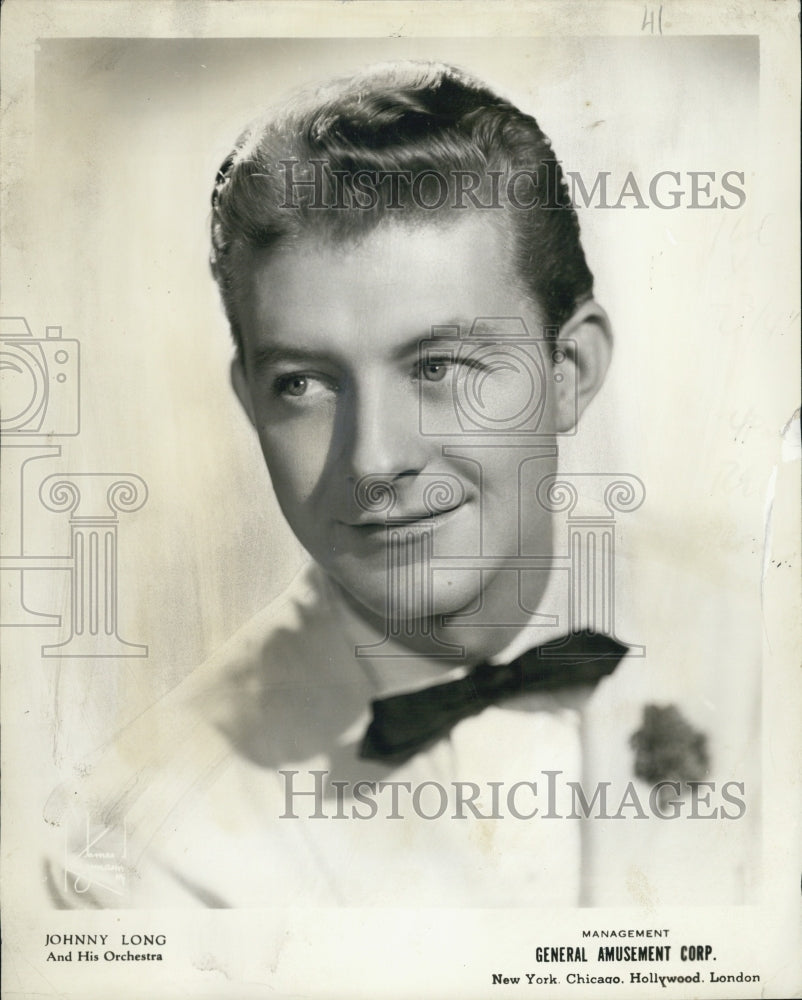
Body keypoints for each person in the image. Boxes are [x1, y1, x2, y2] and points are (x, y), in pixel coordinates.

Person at [45, 61, 758, 908]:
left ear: (568, 371)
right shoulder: (137, 855)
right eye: (303, 384)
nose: (374, 460)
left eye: (440, 366)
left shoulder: (762, 649)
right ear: (249, 402)